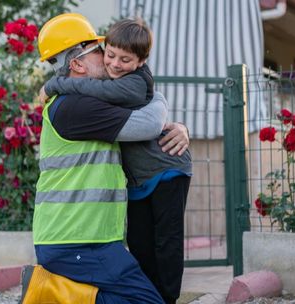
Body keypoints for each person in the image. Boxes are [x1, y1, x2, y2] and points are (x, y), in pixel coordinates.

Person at [19, 13, 188, 304]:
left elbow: (141, 121)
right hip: (75, 241)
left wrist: (180, 128)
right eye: (99, 51)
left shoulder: (89, 102)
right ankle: (50, 294)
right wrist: (159, 99)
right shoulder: (76, 108)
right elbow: (148, 123)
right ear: (77, 63)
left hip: (90, 237)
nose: (108, 59)